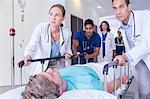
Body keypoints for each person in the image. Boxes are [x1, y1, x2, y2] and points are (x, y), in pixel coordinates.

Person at [22, 63, 127, 99]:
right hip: (100, 69)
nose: (50, 69)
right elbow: (108, 88)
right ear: (58, 91)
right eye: (50, 74)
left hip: (86, 66)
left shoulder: (59, 76)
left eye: (45, 71)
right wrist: (121, 80)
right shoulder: (88, 87)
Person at [112, 0, 150, 98]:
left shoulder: (145, 17)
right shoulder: (121, 26)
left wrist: (126, 56)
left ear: (129, 7)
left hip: (146, 55)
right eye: (115, 8)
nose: (118, 12)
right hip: (137, 60)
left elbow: (146, 43)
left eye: (121, 7)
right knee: (144, 91)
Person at [24, 4, 72, 74]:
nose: (53, 18)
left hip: (59, 67)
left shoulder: (67, 32)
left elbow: (68, 50)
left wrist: (68, 54)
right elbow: (32, 45)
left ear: (63, 18)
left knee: (60, 83)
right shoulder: (41, 28)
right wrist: (28, 56)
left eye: (57, 15)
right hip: (43, 66)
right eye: (51, 14)